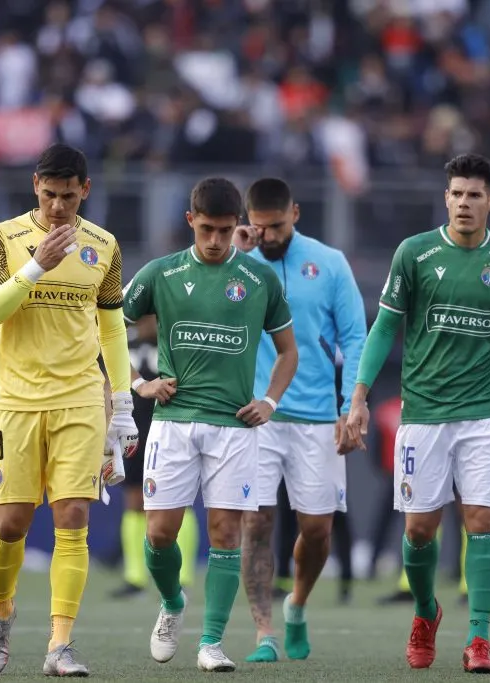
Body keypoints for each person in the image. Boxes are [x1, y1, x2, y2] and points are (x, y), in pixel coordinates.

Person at [344, 154, 490, 674]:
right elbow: (384, 329)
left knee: (482, 522)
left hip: (485, 415)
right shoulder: (415, 253)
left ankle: (479, 638)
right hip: (424, 413)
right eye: (456, 194)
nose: (464, 203)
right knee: (419, 532)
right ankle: (427, 613)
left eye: (474, 195)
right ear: (446, 198)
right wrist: (359, 397)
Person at [0, 143, 139, 676]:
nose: (59, 206)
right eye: (49, 195)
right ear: (35, 187)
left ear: (85, 190)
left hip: (79, 398)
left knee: (73, 517)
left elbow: (111, 326)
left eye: (69, 196)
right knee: (12, 523)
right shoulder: (4, 237)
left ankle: (59, 644)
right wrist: (35, 269)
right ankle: (0, 616)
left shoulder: (104, 247)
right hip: (16, 400)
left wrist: (124, 399)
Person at [123, 177, 298, 672]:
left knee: (226, 533)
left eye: (225, 230)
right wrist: (141, 384)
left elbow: (289, 352)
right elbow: (108, 328)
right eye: (207, 230)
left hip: (235, 427)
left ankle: (212, 643)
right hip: (174, 422)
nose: (216, 240)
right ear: (190, 222)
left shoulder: (260, 280)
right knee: (159, 534)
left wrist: (269, 399)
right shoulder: (162, 273)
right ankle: (173, 604)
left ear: (237, 225)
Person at [230, 177, 366, 663]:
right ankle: (264, 632)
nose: (268, 237)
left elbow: (355, 337)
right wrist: (237, 252)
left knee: (317, 531)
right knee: (255, 524)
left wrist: (353, 403)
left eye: (278, 226)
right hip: (255, 415)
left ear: (297, 213)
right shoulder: (235, 260)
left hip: (316, 419)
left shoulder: (329, 263)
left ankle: (298, 605)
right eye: (259, 227)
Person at [111, 316, 200, 600]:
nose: (146, 323)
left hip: (171, 430)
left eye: (152, 317)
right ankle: (135, 577)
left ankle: (183, 575)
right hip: (134, 431)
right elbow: (109, 382)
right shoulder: (126, 344)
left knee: (180, 502)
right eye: (142, 317)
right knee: (134, 500)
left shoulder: (176, 344)